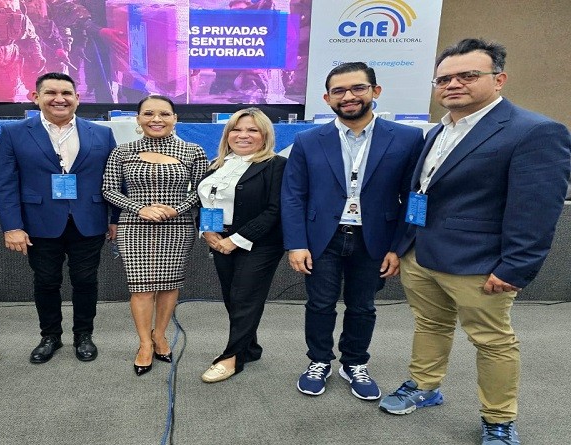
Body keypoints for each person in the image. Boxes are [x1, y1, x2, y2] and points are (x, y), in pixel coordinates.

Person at [378, 38, 571, 445]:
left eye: (467, 75)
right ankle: (424, 386)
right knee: (430, 324)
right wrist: (401, 246)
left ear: (499, 79)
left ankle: (499, 420)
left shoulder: (535, 131)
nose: (453, 84)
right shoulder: (438, 130)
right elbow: (422, 193)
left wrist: (515, 267)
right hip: (420, 253)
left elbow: (536, 209)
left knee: (493, 341)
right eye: (444, 79)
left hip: (479, 264)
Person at [281, 62, 423, 400]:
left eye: (358, 88)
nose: (348, 96)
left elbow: (413, 196)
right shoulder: (308, 140)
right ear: (327, 98)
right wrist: (296, 243)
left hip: (375, 239)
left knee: (363, 306)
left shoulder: (407, 137)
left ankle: (355, 362)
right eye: (339, 91)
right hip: (322, 238)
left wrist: (399, 246)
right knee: (320, 304)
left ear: (375, 91)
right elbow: (293, 195)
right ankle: (319, 361)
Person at [0, 72, 117, 364]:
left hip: (89, 220)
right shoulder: (13, 133)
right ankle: (50, 336)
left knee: (85, 281)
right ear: (35, 97)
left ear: (77, 98)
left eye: (66, 93)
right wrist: (12, 226)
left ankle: (83, 335)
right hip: (39, 222)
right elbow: (5, 183)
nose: (59, 99)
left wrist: (115, 218)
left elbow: (113, 180)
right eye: (51, 93)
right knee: (46, 281)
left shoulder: (101, 133)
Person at [102, 95, 208, 375]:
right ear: (138, 119)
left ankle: (160, 335)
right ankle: (144, 343)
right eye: (148, 113)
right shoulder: (122, 151)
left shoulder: (193, 151)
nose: (156, 119)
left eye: (164, 114)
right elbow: (109, 190)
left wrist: (176, 209)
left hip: (177, 226)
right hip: (134, 226)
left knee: (170, 284)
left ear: (175, 118)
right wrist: (140, 208)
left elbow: (202, 191)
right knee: (141, 287)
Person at [196, 108, 286, 383]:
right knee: (232, 297)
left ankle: (232, 357)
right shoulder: (217, 165)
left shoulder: (276, 165)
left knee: (244, 297)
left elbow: (274, 210)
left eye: (252, 130)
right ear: (227, 134)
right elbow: (207, 201)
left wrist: (234, 240)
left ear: (265, 136)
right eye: (236, 129)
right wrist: (208, 232)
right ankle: (250, 347)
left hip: (259, 243)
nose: (243, 135)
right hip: (219, 240)